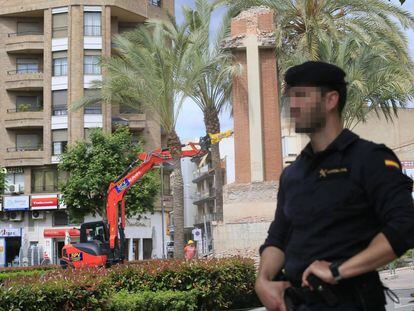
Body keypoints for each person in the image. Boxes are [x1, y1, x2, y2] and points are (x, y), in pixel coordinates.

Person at [255, 61, 414, 311]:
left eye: (302, 96)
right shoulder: (292, 174)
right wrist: (263, 280)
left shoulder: (370, 159)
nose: (293, 105)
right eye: (291, 97)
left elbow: (404, 227)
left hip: (352, 302)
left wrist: (338, 271)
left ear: (331, 100)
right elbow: (278, 237)